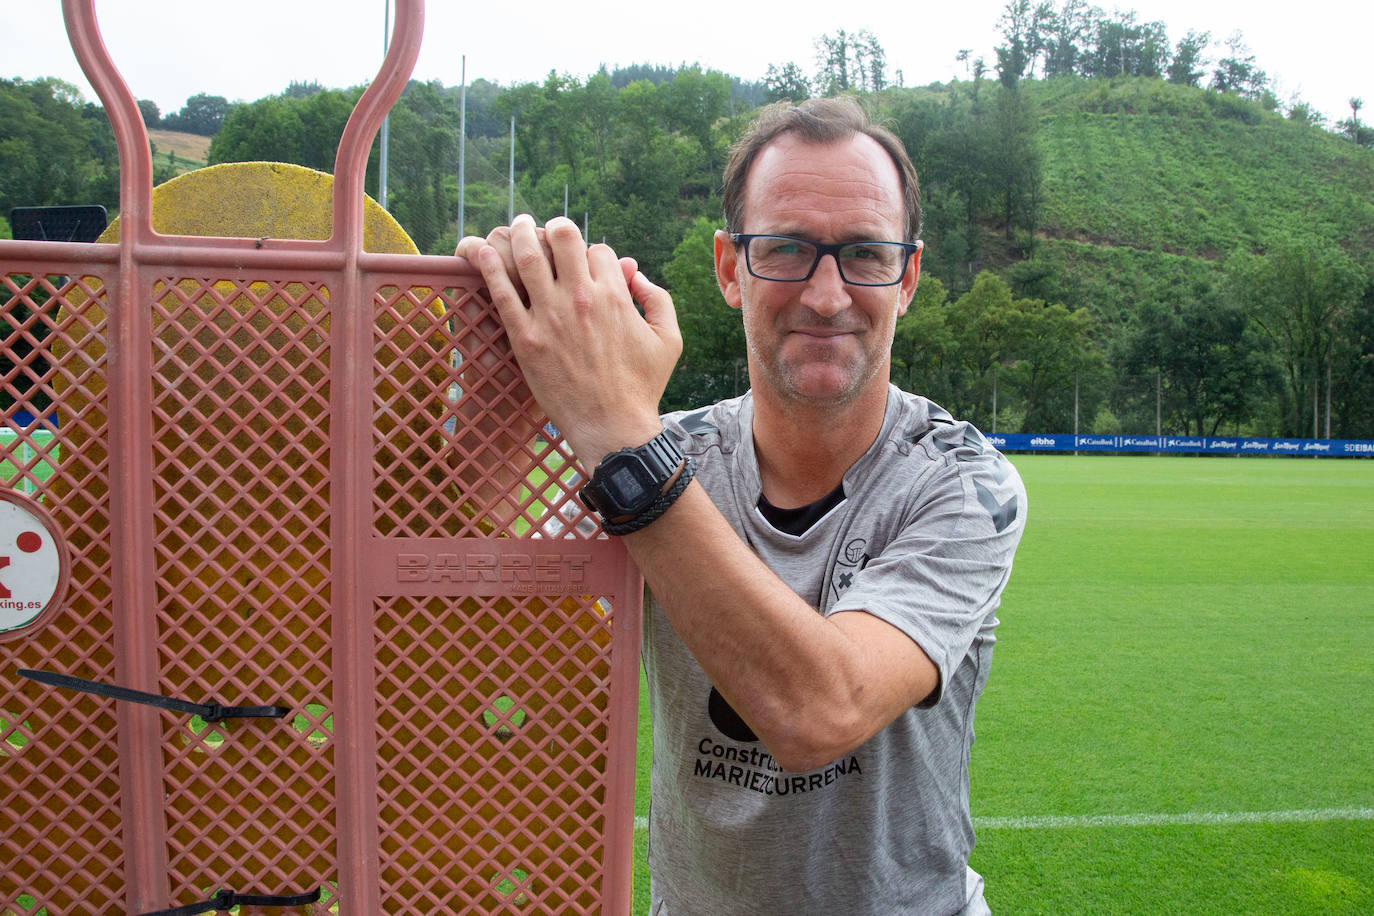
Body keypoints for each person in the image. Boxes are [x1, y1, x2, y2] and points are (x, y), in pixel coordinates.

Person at [457, 96, 1026, 916]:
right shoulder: (672, 453)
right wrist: (492, 392)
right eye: (787, 249)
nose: (827, 296)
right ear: (730, 267)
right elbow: (488, 559)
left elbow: (819, 711)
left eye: (866, 254)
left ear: (907, 277)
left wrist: (620, 435)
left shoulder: (962, 483)